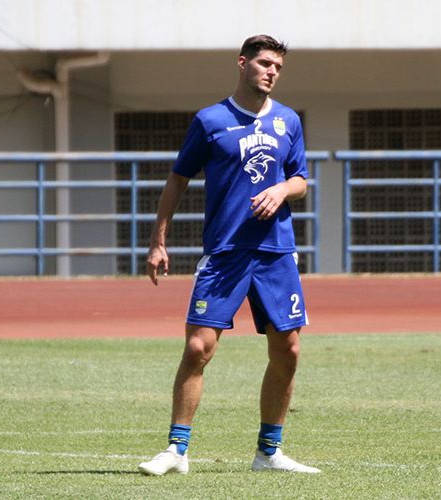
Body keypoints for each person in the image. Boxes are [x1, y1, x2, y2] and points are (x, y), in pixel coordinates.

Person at [137, 34, 320, 475]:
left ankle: (269, 453)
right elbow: (178, 179)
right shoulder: (210, 120)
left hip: (275, 252)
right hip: (224, 254)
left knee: (289, 350)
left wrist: (281, 189)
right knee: (198, 348)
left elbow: (301, 179)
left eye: (277, 66)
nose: (271, 71)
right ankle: (176, 451)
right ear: (242, 64)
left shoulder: (288, 121)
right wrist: (159, 240)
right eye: (263, 63)